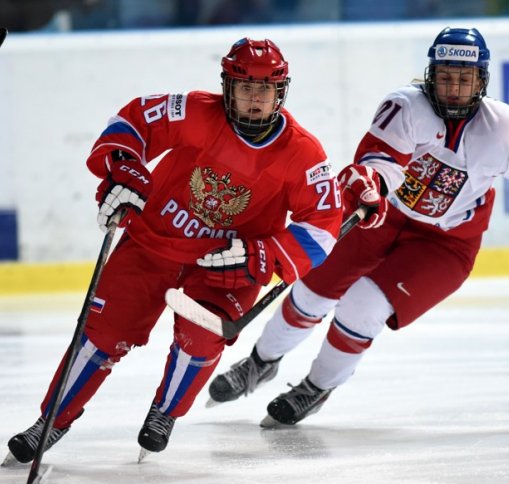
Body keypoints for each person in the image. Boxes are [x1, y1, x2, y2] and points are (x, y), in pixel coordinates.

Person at [205, 27, 509, 427]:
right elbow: (383, 159)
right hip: (386, 216)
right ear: (431, 75)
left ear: (482, 81)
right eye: (446, 77)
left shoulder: (507, 131)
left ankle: (315, 386)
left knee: (363, 305)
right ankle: (261, 363)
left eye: (465, 78)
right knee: (313, 287)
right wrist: (371, 183)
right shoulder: (405, 106)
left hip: (447, 243)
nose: (454, 88)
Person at [6, 37, 344, 462]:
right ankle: (50, 422)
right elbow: (131, 124)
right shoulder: (194, 110)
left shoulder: (303, 152)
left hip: (226, 266)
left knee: (202, 336)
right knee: (103, 334)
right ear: (227, 87)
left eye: (266, 89)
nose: (256, 99)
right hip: (153, 243)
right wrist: (122, 168)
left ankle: (165, 411)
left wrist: (264, 256)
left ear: (282, 91)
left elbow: (324, 223)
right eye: (245, 88)